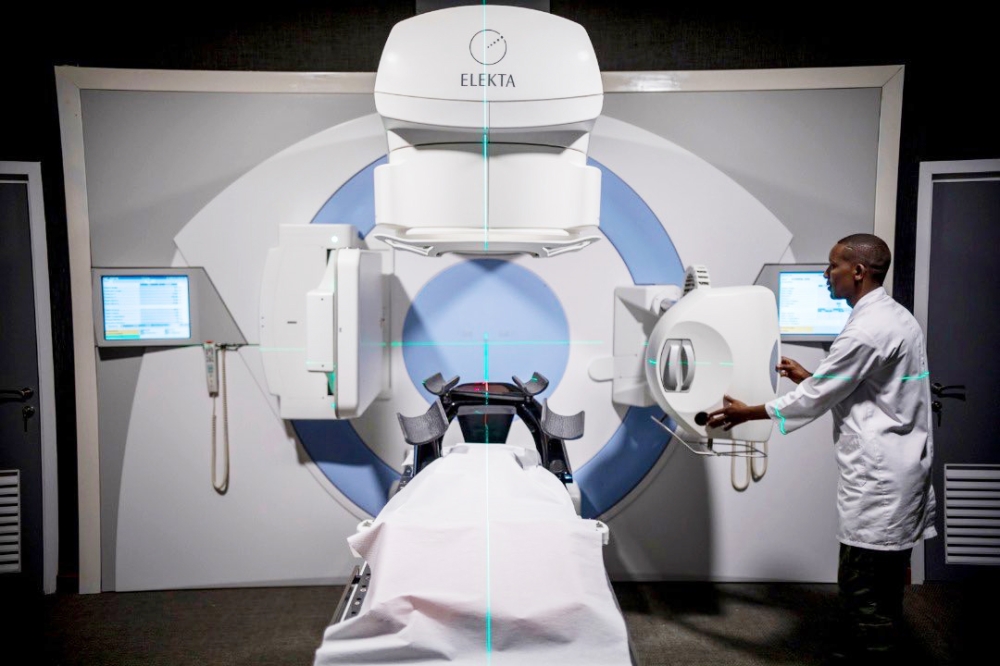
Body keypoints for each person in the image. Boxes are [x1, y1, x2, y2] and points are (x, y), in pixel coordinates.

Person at [706, 233, 937, 662]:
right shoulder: (894, 316)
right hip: (901, 467)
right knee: (884, 589)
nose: (825, 274)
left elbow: (815, 399)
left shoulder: (867, 329)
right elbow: (862, 388)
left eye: (831, 266)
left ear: (858, 272)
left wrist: (746, 413)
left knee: (863, 591)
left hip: (881, 480)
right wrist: (809, 377)